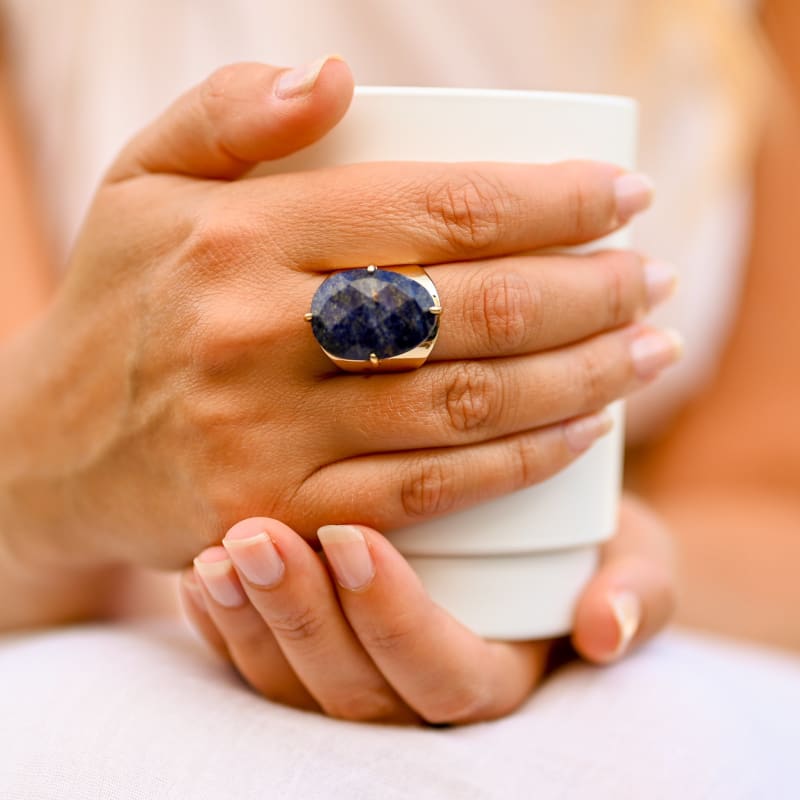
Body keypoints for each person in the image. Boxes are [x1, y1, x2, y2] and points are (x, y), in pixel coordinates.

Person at [1, 1, 799, 797]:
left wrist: (589, 574)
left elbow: (765, 506)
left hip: (613, 658)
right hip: (135, 623)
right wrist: (61, 455)